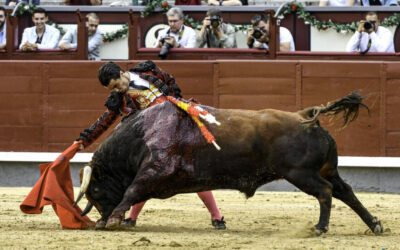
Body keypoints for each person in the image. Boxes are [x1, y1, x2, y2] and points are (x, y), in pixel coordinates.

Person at [75, 60, 227, 230]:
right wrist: (83, 141)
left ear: (121, 73)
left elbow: (170, 82)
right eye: (113, 89)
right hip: (157, 139)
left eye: (117, 85)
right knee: (146, 175)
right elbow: (104, 121)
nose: (118, 90)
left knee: (191, 171)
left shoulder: (148, 71)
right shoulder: (119, 98)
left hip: (178, 129)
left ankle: (217, 216)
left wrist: (176, 104)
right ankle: (131, 217)